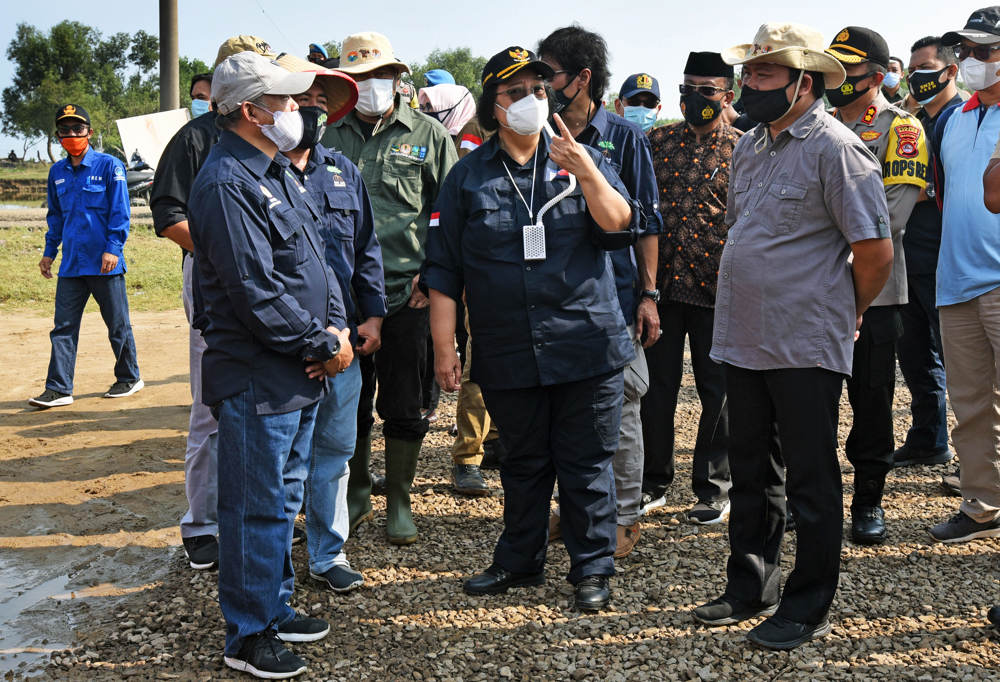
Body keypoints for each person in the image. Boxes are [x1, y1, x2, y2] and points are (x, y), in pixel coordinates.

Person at [692, 22, 892, 650]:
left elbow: (875, 250)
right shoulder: (750, 145)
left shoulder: (837, 148)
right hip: (745, 336)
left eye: (764, 75)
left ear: (804, 83)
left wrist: (844, 310)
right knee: (752, 466)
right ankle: (752, 583)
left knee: (809, 475)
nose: (748, 85)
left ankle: (807, 603)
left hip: (804, 340)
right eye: (748, 73)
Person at [426, 45, 637, 611]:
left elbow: (619, 227)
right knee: (522, 463)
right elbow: (443, 269)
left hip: (587, 343)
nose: (531, 101)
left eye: (539, 90)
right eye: (516, 92)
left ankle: (592, 568)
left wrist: (587, 171)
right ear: (493, 105)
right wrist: (445, 347)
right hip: (508, 348)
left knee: (587, 463)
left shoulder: (582, 159)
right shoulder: (467, 177)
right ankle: (519, 561)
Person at [189, 51, 353, 679]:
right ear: (250, 111)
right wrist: (320, 343)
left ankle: (275, 607)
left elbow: (319, 260)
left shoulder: (275, 170)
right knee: (254, 505)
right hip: (261, 372)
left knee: (281, 497)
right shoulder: (227, 182)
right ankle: (248, 633)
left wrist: (334, 328)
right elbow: (254, 291)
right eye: (285, 102)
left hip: (297, 369)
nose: (297, 111)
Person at [323, 32, 457, 545]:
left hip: (408, 293)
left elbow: (450, 213)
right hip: (341, 297)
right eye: (360, 77)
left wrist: (436, 273)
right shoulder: (326, 136)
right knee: (347, 401)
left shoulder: (427, 135)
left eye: (381, 75)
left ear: (398, 78)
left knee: (403, 401)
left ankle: (399, 496)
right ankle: (357, 488)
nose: (372, 85)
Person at [150, 35, 276, 571]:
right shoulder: (197, 138)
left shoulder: (276, 135)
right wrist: (225, 247)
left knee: (268, 399)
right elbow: (168, 213)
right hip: (209, 278)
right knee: (211, 404)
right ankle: (202, 523)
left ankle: (260, 516)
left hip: (273, 281)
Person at [537, 25, 662, 559]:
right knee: (565, 411)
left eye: (551, 74)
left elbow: (648, 222)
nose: (541, 85)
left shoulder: (624, 137)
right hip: (558, 299)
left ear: (583, 78)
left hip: (617, 295)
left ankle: (625, 516)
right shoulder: (538, 132)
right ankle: (578, 512)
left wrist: (649, 294)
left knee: (623, 407)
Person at [276, 53, 386, 592]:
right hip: (283, 349)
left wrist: (372, 318)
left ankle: (326, 554)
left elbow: (365, 251)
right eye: (304, 101)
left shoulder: (343, 172)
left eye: (322, 104)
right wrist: (306, 339)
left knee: (335, 455)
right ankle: (270, 563)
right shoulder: (257, 175)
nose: (313, 112)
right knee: (277, 464)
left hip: (342, 345)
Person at [825, 27, 928, 546]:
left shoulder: (901, 128)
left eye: (848, 74)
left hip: (875, 287)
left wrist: (827, 249)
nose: (836, 82)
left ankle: (868, 499)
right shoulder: (813, 124)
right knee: (809, 401)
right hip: (814, 291)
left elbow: (893, 214)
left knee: (871, 398)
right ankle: (813, 498)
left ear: (879, 77)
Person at [640, 52, 739, 525]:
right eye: (687, 88)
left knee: (717, 393)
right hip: (659, 290)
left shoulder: (746, 148)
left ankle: (714, 488)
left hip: (718, 290)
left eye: (707, 90)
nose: (694, 98)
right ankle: (652, 481)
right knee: (655, 389)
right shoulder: (655, 142)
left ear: (727, 95)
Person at [928, 7, 1000, 544]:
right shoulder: (953, 118)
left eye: (984, 51)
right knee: (970, 402)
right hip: (956, 281)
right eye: (967, 51)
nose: (971, 61)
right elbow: (945, 197)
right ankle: (982, 504)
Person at [29, 104, 143, 409]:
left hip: (104, 261)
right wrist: (49, 253)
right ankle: (58, 388)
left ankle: (129, 377)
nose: (71, 135)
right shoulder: (57, 172)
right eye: (64, 131)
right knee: (63, 327)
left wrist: (113, 249)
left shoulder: (110, 167)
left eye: (77, 130)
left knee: (117, 324)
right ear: (58, 136)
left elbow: (120, 212)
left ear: (89, 133)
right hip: (72, 265)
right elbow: (55, 217)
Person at [893, 36, 962, 481]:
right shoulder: (913, 124)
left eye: (926, 67)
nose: (918, 77)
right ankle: (929, 438)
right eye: (912, 69)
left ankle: (978, 463)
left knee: (962, 363)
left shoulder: (963, 120)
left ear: (950, 70)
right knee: (915, 354)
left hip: (951, 258)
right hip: (910, 256)